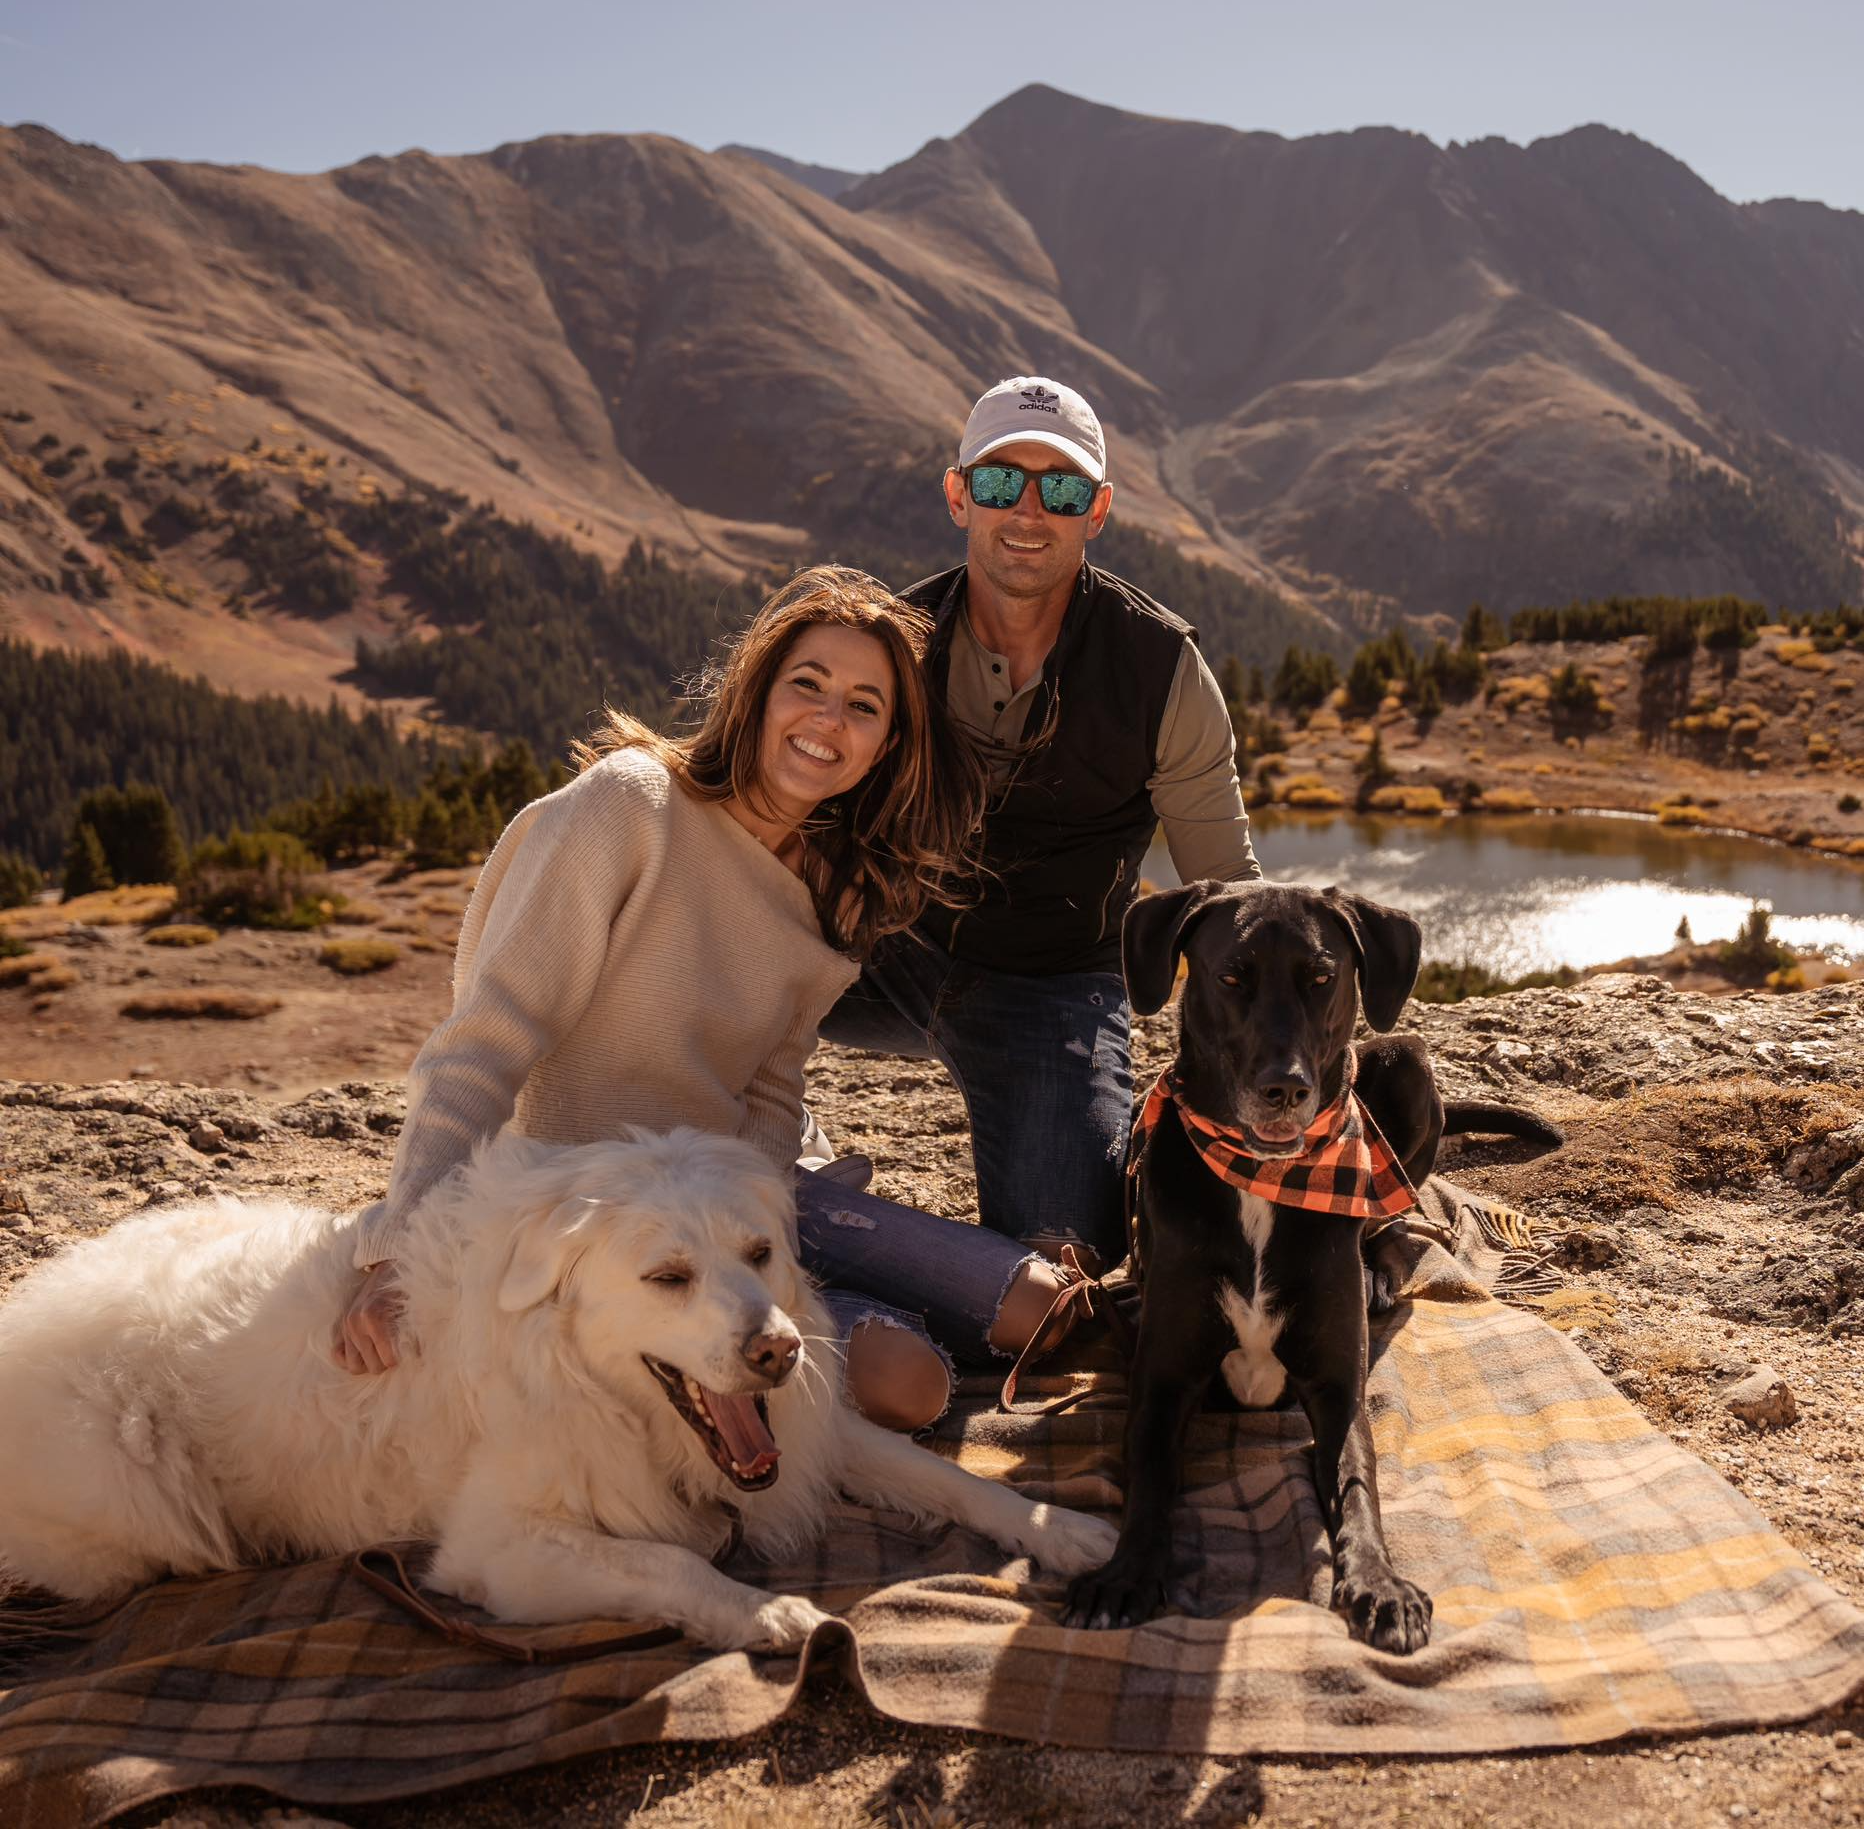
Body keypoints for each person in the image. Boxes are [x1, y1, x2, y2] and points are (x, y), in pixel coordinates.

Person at [335, 566, 1078, 1430]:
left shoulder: (834, 894)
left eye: (865, 706)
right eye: (809, 685)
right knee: (912, 1389)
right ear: (757, 694)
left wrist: (771, 1255)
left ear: (888, 745)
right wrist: (398, 1246)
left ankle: (857, 1297)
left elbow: (770, 1093)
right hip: (601, 1211)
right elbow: (484, 1042)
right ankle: (880, 1328)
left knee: (1042, 1307)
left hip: (744, 1198)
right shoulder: (631, 807)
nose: (828, 721)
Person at [818, 377, 1262, 1272]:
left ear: (1095, 511)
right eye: (997, 484)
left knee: (1068, 1269)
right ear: (958, 496)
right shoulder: (895, 644)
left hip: (1053, 988)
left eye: (1059, 490)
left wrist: (1295, 1054)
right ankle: (779, 1145)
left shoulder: (1162, 670)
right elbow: (792, 804)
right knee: (713, 970)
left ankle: (880, 1249)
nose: (1027, 510)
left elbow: (1228, 895)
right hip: (884, 954)